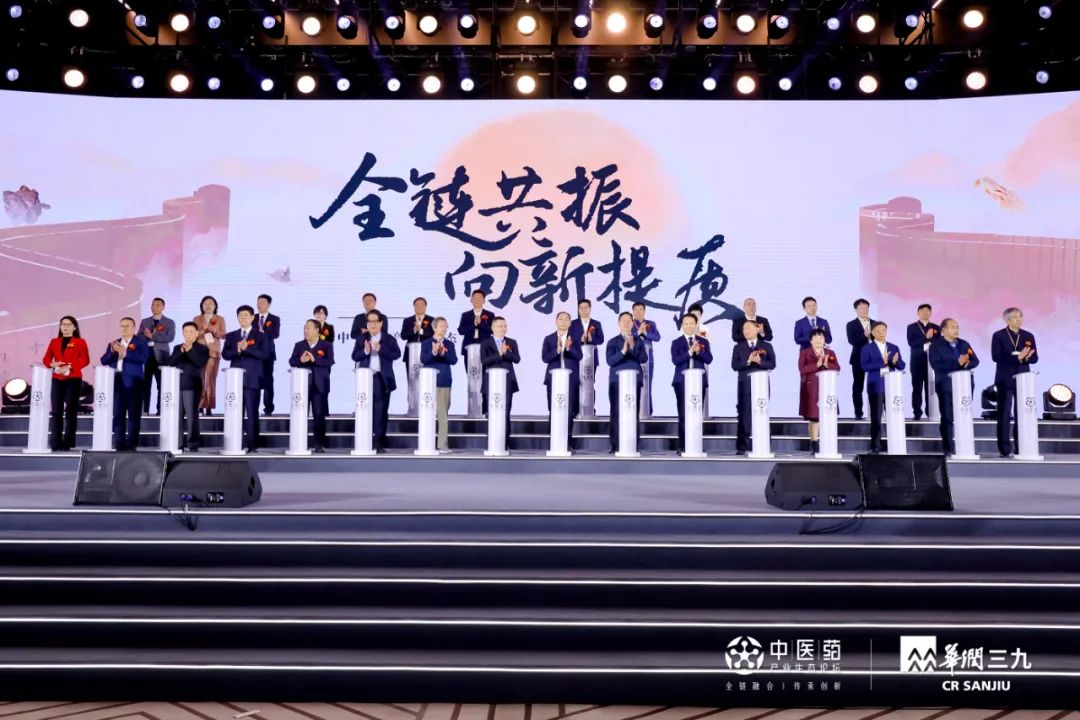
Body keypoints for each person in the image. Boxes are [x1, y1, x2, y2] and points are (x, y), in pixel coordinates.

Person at [990, 307, 1038, 458]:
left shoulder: (1028, 335)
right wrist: (1016, 357)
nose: (1019, 320)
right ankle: (1004, 449)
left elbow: (1035, 358)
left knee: (1022, 415)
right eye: (1016, 317)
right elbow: (996, 356)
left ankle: (1021, 446)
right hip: (1005, 379)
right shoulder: (999, 335)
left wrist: (1026, 357)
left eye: (1021, 316)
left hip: (1023, 379)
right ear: (1007, 320)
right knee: (1004, 414)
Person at [929, 318, 980, 456]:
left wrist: (966, 364)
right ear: (943, 330)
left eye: (957, 327)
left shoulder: (964, 344)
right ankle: (948, 448)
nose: (956, 329)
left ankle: (966, 446)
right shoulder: (936, 345)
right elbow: (936, 365)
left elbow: (975, 361)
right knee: (947, 417)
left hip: (965, 385)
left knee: (964, 415)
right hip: (946, 385)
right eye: (953, 327)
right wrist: (957, 364)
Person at [353, 311, 401, 453]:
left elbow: (396, 354)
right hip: (365, 379)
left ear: (381, 323)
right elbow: (354, 356)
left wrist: (381, 349)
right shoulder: (361, 338)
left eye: (375, 322)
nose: (372, 324)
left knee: (381, 412)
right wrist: (365, 351)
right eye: (370, 322)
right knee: (366, 411)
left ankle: (379, 443)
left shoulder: (389, 339)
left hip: (382, 379)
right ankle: (365, 442)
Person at [221, 305, 266, 454]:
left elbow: (264, 354)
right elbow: (225, 354)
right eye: (240, 315)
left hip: (252, 379)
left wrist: (247, 349)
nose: (243, 317)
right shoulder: (231, 335)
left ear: (253, 317)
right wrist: (238, 351)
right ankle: (236, 443)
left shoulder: (260, 336)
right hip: (234, 381)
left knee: (252, 413)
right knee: (235, 413)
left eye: (246, 315)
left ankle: (252, 445)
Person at [100, 316, 149, 451]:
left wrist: (125, 353)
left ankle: (132, 443)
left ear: (133, 327)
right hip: (117, 381)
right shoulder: (114, 343)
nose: (124, 328)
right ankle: (119, 443)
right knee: (118, 414)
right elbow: (104, 361)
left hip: (134, 381)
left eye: (127, 326)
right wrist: (112, 352)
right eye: (122, 326)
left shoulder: (140, 342)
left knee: (134, 414)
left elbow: (143, 358)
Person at [42, 315, 89, 451]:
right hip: (57, 378)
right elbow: (46, 359)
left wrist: (69, 367)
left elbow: (85, 360)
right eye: (63, 324)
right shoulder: (54, 341)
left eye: (69, 325)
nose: (65, 327)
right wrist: (52, 364)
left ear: (74, 327)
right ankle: (55, 442)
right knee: (56, 411)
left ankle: (68, 442)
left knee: (70, 411)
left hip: (73, 379)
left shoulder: (80, 342)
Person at [605, 312, 648, 454]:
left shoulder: (639, 341)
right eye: (623, 320)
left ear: (632, 324)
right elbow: (610, 361)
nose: (626, 323)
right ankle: (616, 445)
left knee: (633, 412)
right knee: (616, 413)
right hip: (617, 383)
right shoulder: (612, 342)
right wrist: (623, 351)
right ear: (619, 323)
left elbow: (643, 359)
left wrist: (633, 347)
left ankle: (633, 444)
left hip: (634, 381)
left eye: (629, 320)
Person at [860, 322, 906, 454]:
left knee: (895, 417)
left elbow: (902, 366)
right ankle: (875, 447)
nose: (882, 333)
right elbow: (865, 366)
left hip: (892, 388)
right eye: (878, 330)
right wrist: (882, 362)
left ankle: (896, 445)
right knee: (876, 418)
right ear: (873, 333)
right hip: (876, 386)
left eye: (884, 330)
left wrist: (895, 362)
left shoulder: (893, 347)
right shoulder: (866, 348)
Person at [732, 320, 776, 455]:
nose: (746, 331)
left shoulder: (766, 345)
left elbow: (772, 364)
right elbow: (735, 366)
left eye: (749, 328)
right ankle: (742, 446)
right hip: (744, 384)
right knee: (744, 414)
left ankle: (764, 444)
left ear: (757, 329)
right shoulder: (738, 347)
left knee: (762, 412)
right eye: (744, 329)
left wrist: (760, 361)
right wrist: (748, 361)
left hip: (762, 384)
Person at [291, 319, 335, 453]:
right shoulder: (299, 345)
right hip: (302, 386)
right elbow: (292, 361)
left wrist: (315, 359)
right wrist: (300, 360)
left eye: (308, 328)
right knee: (301, 415)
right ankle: (300, 443)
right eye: (304, 328)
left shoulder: (326, 345)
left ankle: (319, 444)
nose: (305, 331)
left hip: (319, 385)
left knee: (319, 416)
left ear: (317, 330)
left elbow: (329, 361)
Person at [671, 313, 713, 453]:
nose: (689, 326)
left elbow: (709, 359)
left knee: (697, 414)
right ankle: (683, 445)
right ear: (682, 325)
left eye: (691, 323)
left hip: (699, 382)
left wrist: (698, 351)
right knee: (683, 414)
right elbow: (676, 360)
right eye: (686, 323)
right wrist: (689, 352)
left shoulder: (703, 341)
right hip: (681, 382)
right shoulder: (676, 342)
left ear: (696, 325)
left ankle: (696, 444)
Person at [541, 311, 583, 449]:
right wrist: (557, 350)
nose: (563, 321)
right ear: (556, 321)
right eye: (560, 319)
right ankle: (553, 441)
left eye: (566, 319)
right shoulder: (549, 338)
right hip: (553, 379)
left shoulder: (575, 339)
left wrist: (569, 347)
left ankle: (566, 442)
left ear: (570, 323)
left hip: (570, 380)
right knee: (554, 408)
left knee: (569, 410)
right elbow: (545, 358)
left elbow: (579, 357)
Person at [168, 322, 209, 452]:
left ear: (196, 333)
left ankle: (193, 444)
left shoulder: (202, 348)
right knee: (177, 416)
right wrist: (180, 352)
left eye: (191, 331)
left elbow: (200, 363)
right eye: (186, 331)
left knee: (192, 416)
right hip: (176, 385)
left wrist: (190, 350)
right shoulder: (177, 348)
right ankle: (178, 443)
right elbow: (170, 363)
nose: (188, 334)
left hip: (192, 385)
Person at [798, 328, 841, 454]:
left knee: (827, 415)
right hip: (811, 388)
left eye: (821, 337)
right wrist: (817, 365)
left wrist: (827, 365)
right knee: (814, 418)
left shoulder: (830, 352)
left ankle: (827, 442)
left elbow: (837, 368)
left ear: (824, 340)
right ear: (811, 340)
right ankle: (814, 443)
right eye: (815, 337)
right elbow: (802, 369)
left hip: (828, 388)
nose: (818, 340)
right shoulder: (805, 353)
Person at [420, 317, 458, 452]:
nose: (445, 328)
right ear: (434, 328)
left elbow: (454, 360)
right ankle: (426, 443)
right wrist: (434, 352)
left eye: (446, 326)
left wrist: (442, 353)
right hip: (428, 383)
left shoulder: (449, 344)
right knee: (427, 413)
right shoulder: (426, 343)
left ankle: (442, 445)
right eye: (442, 326)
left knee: (442, 415)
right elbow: (423, 359)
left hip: (443, 381)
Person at [480, 316, 521, 429]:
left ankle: (506, 438)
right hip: (491, 381)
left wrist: (506, 353)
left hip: (508, 380)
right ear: (492, 328)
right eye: (500, 326)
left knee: (506, 410)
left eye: (505, 326)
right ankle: (492, 437)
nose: (503, 328)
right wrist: (499, 354)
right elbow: (484, 361)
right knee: (492, 410)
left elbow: (517, 359)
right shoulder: (485, 342)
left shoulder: (511, 342)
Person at [138, 297, 175, 416]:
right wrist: (145, 336)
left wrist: (152, 336)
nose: (154, 307)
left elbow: (170, 338)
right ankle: (145, 410)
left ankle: (160, 410)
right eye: (153, 305)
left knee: (161, 384)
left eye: (158, 305)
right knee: (145, 385)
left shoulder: (169, 322)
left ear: (163, 307)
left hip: (161, 356)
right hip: (147, 356)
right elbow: (138, 337)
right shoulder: (145, 321)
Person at [906, 303, 941, 420]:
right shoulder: (911, 327)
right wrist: (926, 337)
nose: (925, 313)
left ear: (930, 313)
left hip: (931, 361)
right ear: (918, 312)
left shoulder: (936, 327)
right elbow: (912, 343)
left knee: (930, 387)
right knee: (917, 387)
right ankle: (917, 412)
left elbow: (939, 343)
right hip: (917, 361)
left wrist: (931, 341)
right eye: (923, 311)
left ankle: (930, 411)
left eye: (928, 311)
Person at [193, 295, 226, 416]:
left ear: (215, 306)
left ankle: (209, 407)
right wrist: (204, 330)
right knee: (200, 379)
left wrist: (214, 330)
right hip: (199, 352)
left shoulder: (220, 319)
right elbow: (193, 334)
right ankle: (200, 405)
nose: (208, 306)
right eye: (205, 304)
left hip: (214, 351)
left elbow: (224, 335)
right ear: (201, 306)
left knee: (210, 380)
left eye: (210, 303)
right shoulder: (197, 319)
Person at [844, 298, 875, 420]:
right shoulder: (851, 324)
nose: (864, 310)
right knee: (858, 386)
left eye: (866, 307)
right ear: (856, 310)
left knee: (875, 386)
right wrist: (865, 335)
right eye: (861, 308)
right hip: (858, 358)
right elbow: (852, 341)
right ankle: (858, 413)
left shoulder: (875, 323)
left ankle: (876, 412)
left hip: (874, 359)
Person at [630, 302, 662, 415]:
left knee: (647, 384)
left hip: (648, 360)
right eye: (636, 309)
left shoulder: (650, 323)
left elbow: (657, 337)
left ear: (644, 311)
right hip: (633, 359)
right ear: (633, 311)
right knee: (633, 385)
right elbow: (627, 336)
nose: (638, 312)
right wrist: (638, 332)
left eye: (641, 309)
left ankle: (648, 411)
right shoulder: (629, 323)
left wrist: (645, 332)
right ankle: (634, 410)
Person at [457, 290, 495, 380]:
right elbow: (461, 331)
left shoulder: (490, 315)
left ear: (484, 300)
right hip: (469, 350)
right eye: (475, 298)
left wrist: (481, 323)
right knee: (472, 375)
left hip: (485, 349)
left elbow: (493, 330)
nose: (477, 300)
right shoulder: (466, 315)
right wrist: (473, 325)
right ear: (471, 300)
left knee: (485, 376)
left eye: (480, 298)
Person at [255, 294, 281, 415]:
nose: (259, 305)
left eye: (262, 303)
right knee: (254, 381)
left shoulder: (274, 319)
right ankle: (252, 407)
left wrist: (263, 333)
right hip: (253, 354)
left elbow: (275, 334)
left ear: (268, 305)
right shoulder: (252, 317)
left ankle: (268, 407)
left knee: (268, 381)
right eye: (258, 303)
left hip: (268, 354)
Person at [400, 296, 435, 366]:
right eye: (417, 305)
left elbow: (434, 335)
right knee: (411, 372)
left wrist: (421, 331)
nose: (419, 307)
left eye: (422, 305)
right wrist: (414, 330)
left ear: (425, 307)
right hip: (410, 353)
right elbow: (403, 336)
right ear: (414, 307)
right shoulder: (407, 320)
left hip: (427, 353)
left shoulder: (432, 320)